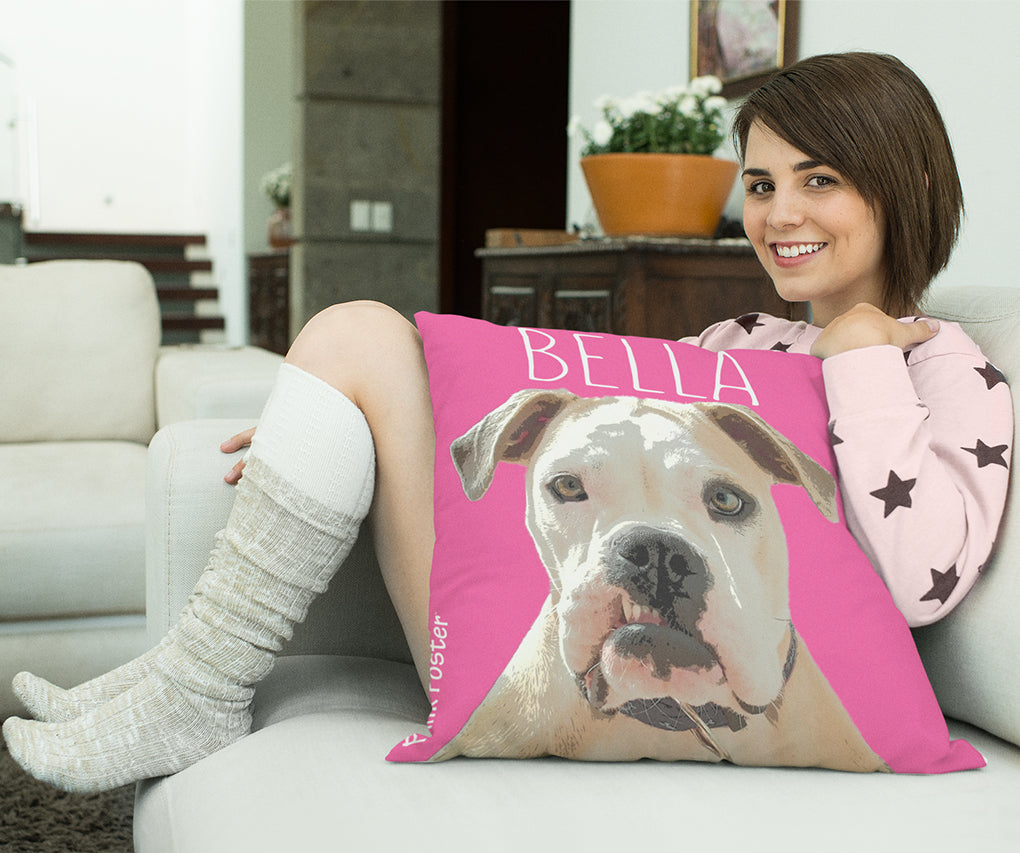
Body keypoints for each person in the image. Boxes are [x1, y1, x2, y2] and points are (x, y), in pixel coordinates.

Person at [3, 52, 1011, 793]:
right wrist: (321, 431)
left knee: (358, 330)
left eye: (818, 180)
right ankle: (189, 676)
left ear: (903, 183)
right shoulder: (737, 337)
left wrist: (867, 357)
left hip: (739, 685)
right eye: (760, 184)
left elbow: (924, 582)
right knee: (356, 346)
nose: (780, 214)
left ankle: (195, 689)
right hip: (566, 616)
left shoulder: (948, 370)